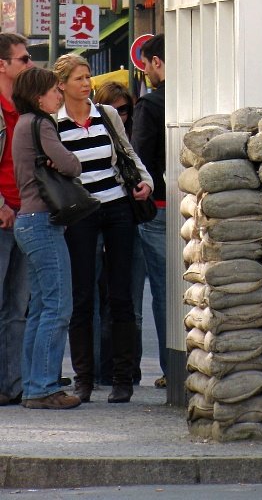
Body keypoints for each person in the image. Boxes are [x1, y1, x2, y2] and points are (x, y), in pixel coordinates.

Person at [54, 55, 153, 404]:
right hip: (80, 210)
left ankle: (122, 378)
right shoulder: (54, 123)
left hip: (117, 206)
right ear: (62, 84)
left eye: (88, 76)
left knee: (121, 292)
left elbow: (128, 154)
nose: (86, 83)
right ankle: (84, 379)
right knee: (82, 294)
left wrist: (145, 182)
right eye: (79, 78)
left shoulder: (106, 115)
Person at [12, 67, 82, 409]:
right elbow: (71, 165)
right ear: (39, 96)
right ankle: (44, 387)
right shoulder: (41, 124)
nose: (59, 95)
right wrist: (65, 162)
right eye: (55, 90)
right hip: (42, 221)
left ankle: (33, 384)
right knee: (57, 306)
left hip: (27, 220)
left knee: (40, 307)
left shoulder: (23, 124)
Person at [91, 81, 144, 387]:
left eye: (126, 110)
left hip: (125, 217)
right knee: (95, 297)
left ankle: (127, 368)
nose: (122, 115)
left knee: (126, 298)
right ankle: (99, 369)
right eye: (118, 109)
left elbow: (138, 166)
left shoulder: (131, 133)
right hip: (95, 215)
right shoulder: (98, 127)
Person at [131, 34, 167, 389]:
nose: (145, 71)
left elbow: (137, 160)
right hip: (192, 205)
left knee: (163, 289)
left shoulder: (151, 106)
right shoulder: (198, 96)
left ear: (156, 62)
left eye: (146, 64)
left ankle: (172, 367)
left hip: (157, 208)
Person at [0, 32, 33, 406]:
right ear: (3, 65)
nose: (29, 64)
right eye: (23, 59)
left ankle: (12, 385)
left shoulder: (24, 107)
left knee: (17, 308)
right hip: (4, 214)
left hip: (25, 216)